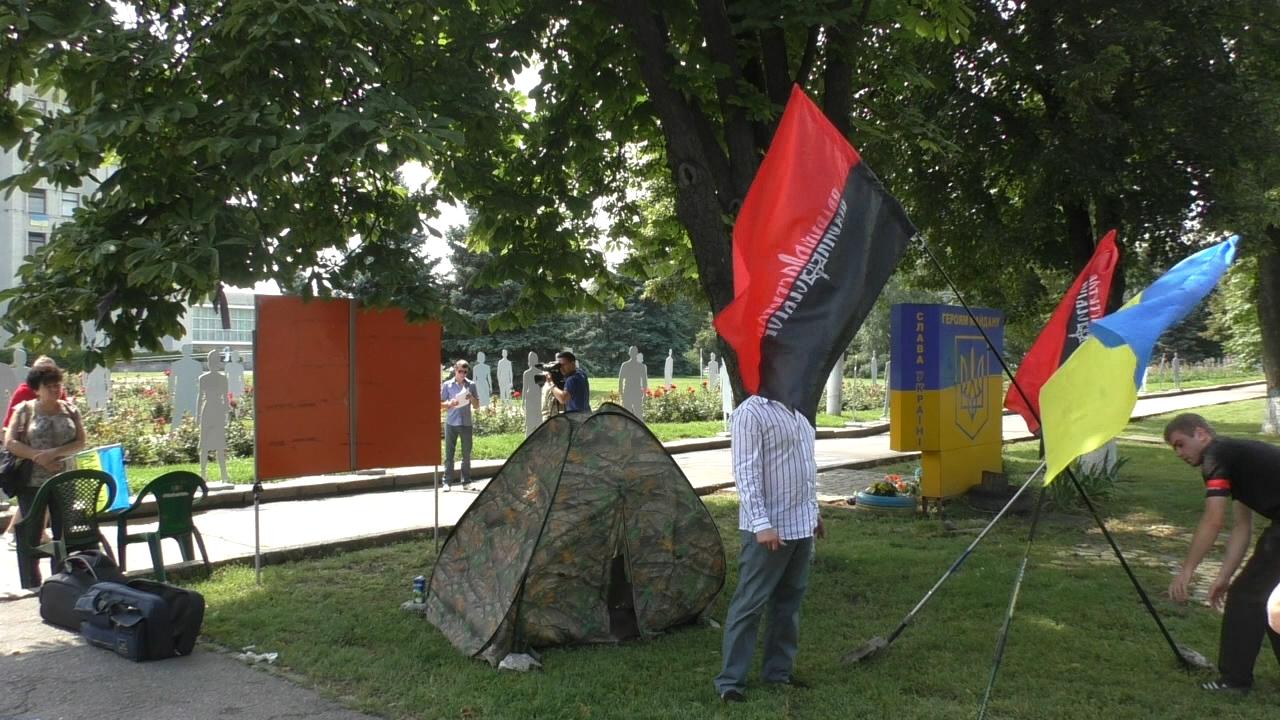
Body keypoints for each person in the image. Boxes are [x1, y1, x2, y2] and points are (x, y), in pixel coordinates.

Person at [714, 395, 825, 703]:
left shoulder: (798, 411)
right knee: (750, 603)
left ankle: (778, 673)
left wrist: (814, 513)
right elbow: (746, 472)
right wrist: (761, 524)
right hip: (768, 530)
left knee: (788, 604)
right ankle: (730, 681)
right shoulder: (751, 412)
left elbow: (803, 467)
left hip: (800, 526)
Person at [1164, 413, 1280, 693]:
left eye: (1180, 444)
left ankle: (1234, 681)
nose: (1179, 453)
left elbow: (1213, 521)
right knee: (1262, 597)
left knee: (1248, 596)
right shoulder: (1235, 458)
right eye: (1173, 448)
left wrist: (1187, 570)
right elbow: (1242, 528)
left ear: (1201, 434)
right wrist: (1225, 577)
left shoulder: (1216, 455)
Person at [4, 363, 86, 545]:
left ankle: (63, 572)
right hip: (32, 482)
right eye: (48, 386)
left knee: (64, 537)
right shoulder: (24, 410)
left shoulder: (71, 411)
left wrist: (54, 453)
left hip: (65, 481)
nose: (54, 390)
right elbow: (10, 442)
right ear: (36, 389)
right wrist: (38, 457)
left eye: (57, 385)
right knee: (31, 536)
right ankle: (31, 572)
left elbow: (80, 441)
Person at [3, 355, 64, 546]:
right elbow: (8, 431)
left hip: (55, 457)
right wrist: (33, 454)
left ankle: (19, 532)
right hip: (28, 456)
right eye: (42, 373)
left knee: (42, 498)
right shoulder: (23, 395)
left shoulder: (60, 395)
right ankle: (22, 535)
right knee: (34, 496)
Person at [439, 359, 479, 491]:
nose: (462, 374)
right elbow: (439, 404)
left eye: (465, 371)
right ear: (455, 370)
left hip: (466, 423)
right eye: (460, 371)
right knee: (449, 454)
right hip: (451, 423)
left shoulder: (471, 385)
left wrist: (471, 397)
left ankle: (466, 482)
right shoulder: (447, 385)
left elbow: (477, 405)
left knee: (466, 454)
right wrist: (449, 403)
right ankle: (447, 482)